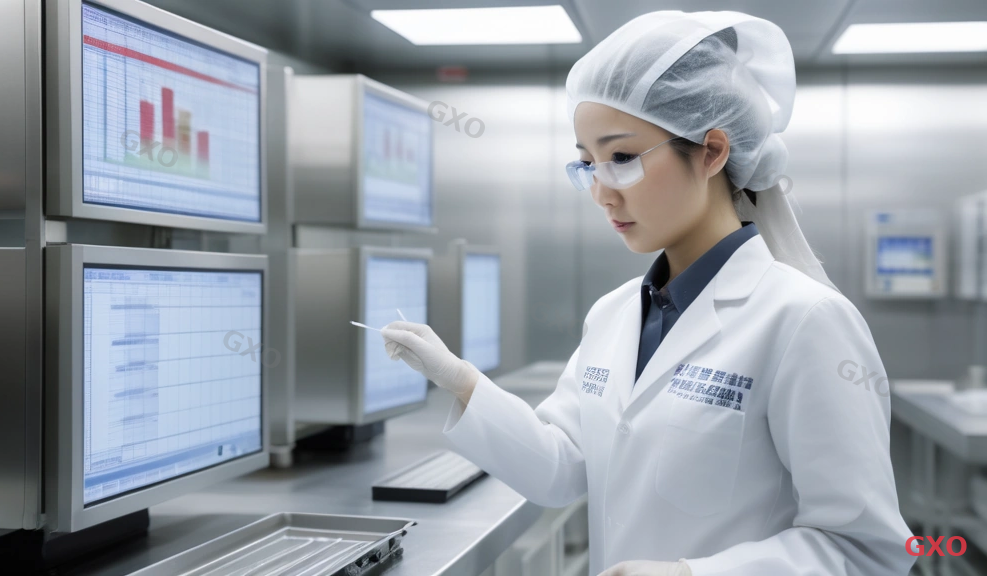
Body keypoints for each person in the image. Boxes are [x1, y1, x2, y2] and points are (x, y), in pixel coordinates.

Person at [380, 10, 915, 576]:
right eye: (587, 164)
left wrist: (692, 575)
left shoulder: (805, 320)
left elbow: (865, 548)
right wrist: (459, 381)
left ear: (711, 152)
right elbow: (563, 468)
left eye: (622, 159)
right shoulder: (613, 316)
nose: (602, 193)